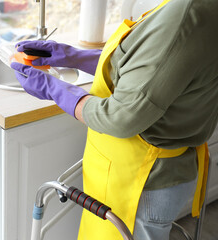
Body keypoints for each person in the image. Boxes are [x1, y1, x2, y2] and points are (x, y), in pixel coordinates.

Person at [11, 0, 218, 239]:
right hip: (160, 173)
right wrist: (73, 56)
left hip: (142, 183)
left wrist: (55, 90)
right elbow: (145, 66)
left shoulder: (184, 17)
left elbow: (120, 117)